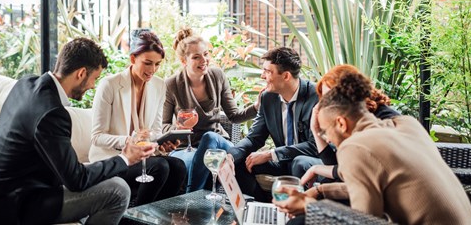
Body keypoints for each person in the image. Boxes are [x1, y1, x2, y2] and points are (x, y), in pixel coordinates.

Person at [0, 38, 154, 225]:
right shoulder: (52, 114)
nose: (93, 85)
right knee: (118, 190)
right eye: (94, 78)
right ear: (81, 73)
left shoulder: (25, 84)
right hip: (17, 206)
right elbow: (76, 180)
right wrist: (125, 158)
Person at [274, 72, 471, 224]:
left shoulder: (355, 147)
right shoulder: (406, 123)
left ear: (342, 124)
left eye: (325, 132)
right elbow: (377, 186)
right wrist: (321, 191)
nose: (328, 139)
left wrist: (309, 206)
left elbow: (363, 221)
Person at [90, 30, 187, 205]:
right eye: (147, 63)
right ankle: (133, 219)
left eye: (157, 64)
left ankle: (156, 217)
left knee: (178, 166)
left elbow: (155, 131)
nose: (152, 70)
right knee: (160, 167)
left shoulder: (158, 86)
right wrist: (130, 140)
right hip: (113, 159)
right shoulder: (110, 85)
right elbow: (97, 137)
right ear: (133, 58)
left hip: (141, 158)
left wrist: (164, 143)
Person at [163, 27, 259, 192]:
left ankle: (190, 199)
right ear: (183, 60)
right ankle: (203, 206)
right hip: (186, 147)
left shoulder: (217, 76)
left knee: (210, 138)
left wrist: (257, 106)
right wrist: (176, 129)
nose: (204, 60)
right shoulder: (172, 84)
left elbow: (234, 116)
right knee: (204, 161)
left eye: (206, 54)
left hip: (218, 142)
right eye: (196, 57)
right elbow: (163, 126)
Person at [227, 46, 322, 202]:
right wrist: (231, 155)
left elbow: (315, 146)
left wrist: (272, 154)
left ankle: (298, 212)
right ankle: (260, 206)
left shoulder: (316, 97)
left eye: (267, 72)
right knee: (240, 162)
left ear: (285, 76)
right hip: (283, 162)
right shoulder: (267, 98)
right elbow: (254, 138)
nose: (262, 76)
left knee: (300, 162)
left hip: (311, 161)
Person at [299, 64, 400, 189]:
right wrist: (316, 130)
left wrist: (318, 172)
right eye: (324, 99)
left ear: (349, 92)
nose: (326, 104)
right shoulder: (349, 120)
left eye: (331, 97)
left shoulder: (382, 120)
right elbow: (337, 164)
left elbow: (354, 171)